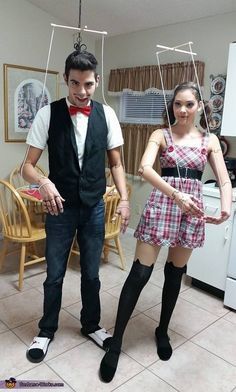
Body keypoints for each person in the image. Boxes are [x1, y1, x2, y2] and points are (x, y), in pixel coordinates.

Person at [99, 82, 232, 382]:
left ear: (199, 106)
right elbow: (145, 168)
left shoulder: (209, 141)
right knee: (140, 274)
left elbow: (224, 180)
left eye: (189, 104)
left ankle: (162, 330)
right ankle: (117, 341)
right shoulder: (161, 134)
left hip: (191, 210)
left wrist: (226, 206)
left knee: (175, 273)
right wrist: (176, 195)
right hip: (164, 204)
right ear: (171, 106)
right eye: (177, 104)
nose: (182, 110)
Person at [21, 49, 130, 363]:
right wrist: (44, 182)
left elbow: (118, 164)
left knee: (91, 274)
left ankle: (91, 325)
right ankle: (46, 330)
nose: (82, 92)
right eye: (74, 84)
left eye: (88, 84)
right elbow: (28, 165)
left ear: (96, 81)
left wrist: (124, 199)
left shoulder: (106, 114)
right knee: (54, 274)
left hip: (94, 206)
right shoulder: (47, 114)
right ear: (65, 81)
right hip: (59, 208)